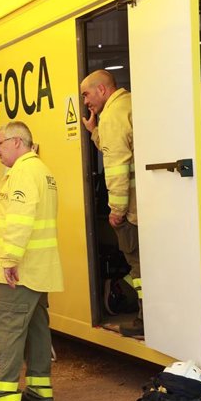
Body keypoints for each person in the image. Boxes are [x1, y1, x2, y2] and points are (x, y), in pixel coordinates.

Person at [0, 121, 63, 401]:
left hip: (20, 270)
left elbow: (20, 220)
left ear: (17, 141)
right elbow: (26, 210)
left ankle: (6, 399)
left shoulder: (22, 172)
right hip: (38, 270)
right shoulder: (41, 170)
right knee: (37, 330)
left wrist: (10, 260)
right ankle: (40, 391)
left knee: (10, 330)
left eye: (0, 143)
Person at [80, 69, 142, 337]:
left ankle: (145, 318)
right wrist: (95, 131)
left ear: (102, 90)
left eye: (86, 94)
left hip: (133, 210)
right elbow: (118, 146)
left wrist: (116, 211)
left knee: (138, 265)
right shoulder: (128, 105)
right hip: (150, 204)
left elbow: (116, 165)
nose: (85, 102)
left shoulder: (114, 115)